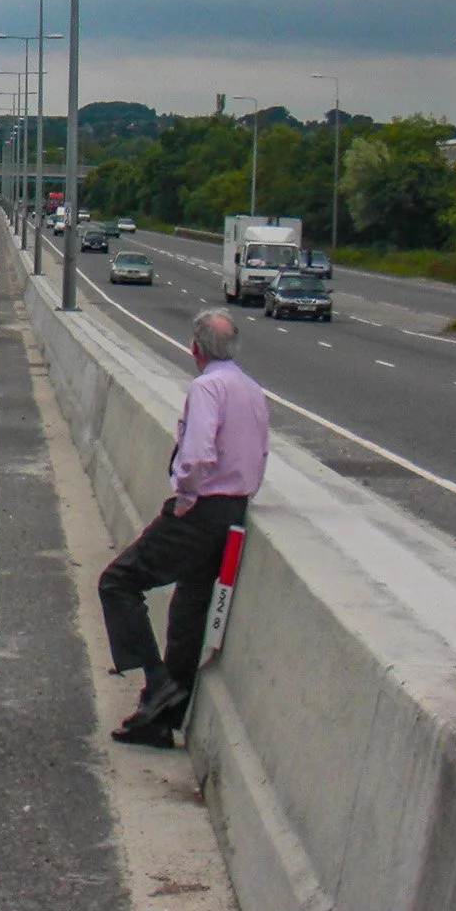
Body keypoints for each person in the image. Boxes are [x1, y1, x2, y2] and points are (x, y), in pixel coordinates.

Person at [100, 307, 270, 746]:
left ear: (195, 348)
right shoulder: (252, 390)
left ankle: (157, 683)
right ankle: (162, 720)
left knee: (118, 582)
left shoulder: (207, 387)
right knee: (188, 611)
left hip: (201, 510)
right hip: (234, 513)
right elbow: (261, 455)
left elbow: (196, 456)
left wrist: (185, 500)